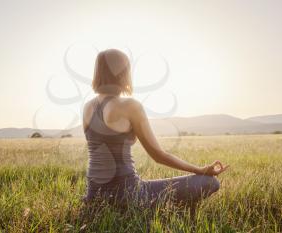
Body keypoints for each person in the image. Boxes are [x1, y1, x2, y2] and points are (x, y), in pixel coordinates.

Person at [82, 49, 229, 208]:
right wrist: (200, 170)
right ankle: (166, 210)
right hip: (129, 195)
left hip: (94, 196)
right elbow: (159, 155)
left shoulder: (87, 107)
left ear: (99, 71)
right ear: (123, 72)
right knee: (209, 182)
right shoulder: (130, 106)